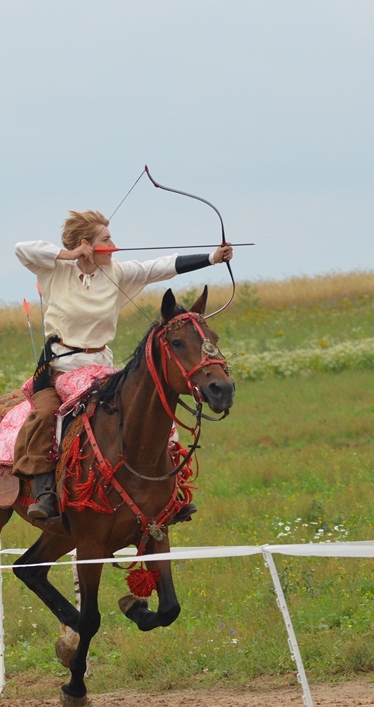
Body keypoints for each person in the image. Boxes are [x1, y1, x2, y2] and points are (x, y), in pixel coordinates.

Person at [13, 209, 234, 524]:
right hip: (62, 368)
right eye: (106, 239)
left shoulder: (116, 273)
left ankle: (169, 493)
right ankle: (46, 491)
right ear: (86, 244)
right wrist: (69, 254)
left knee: (150, 408)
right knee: (49, 415)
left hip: (102, 368)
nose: (113, 245)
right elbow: (22, 249)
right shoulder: (55, 270)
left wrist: (212, 258)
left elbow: (159, 267)